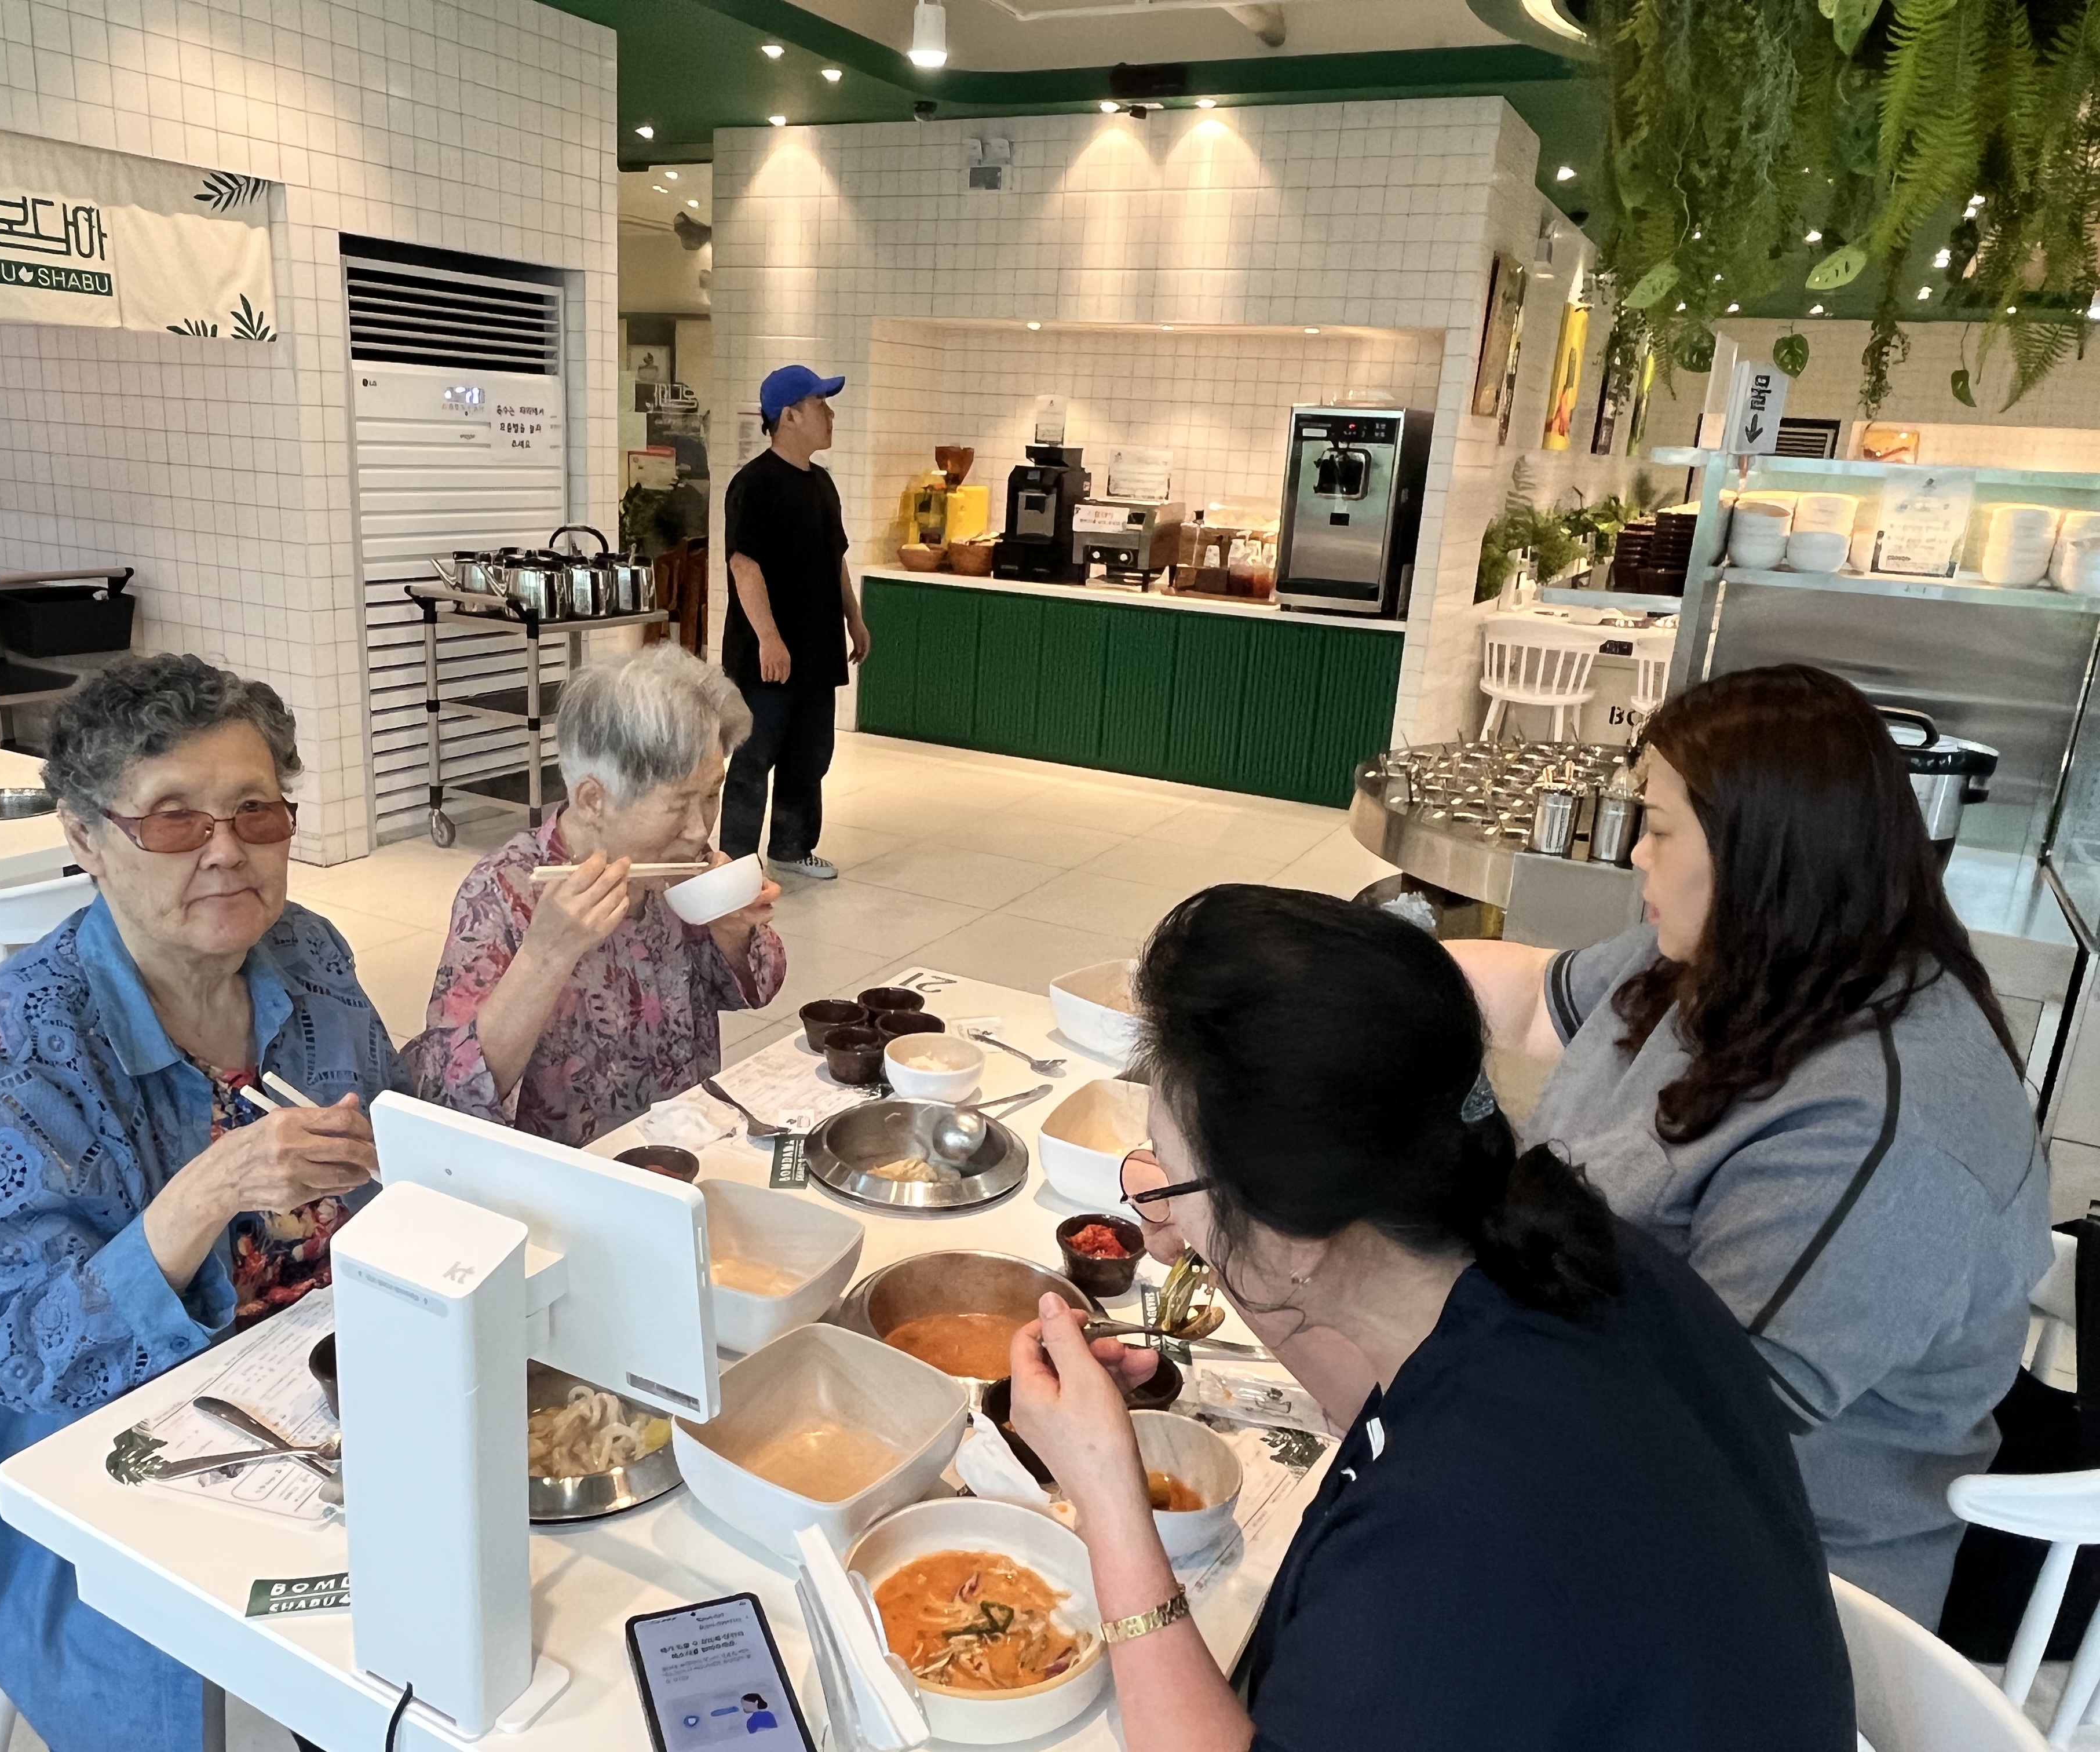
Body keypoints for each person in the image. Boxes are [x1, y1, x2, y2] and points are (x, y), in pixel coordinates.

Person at [1006, 886, 1857, 1752]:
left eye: (1173, 1175)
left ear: (1297, 1229)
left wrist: (1106, 1493)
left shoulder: (1444, 1543)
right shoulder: (1575, 1249)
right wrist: (1220, 1233)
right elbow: (1393, 1387)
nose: (1159, 1205)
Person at [1448, 663, 2050, 1626]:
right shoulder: (1733, 952)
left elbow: (1692, 1419)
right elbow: (1529, 1002)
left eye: (1657, 827)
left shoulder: (1876, 1129)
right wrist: (1346, 967)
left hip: (1765, 1567)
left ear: (1757, 850)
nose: (1635, 854)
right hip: (1577, 1394)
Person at [0, 655, 406, 1752]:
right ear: (86, 837)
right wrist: (207, 1192)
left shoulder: (308, 953)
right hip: (123, 1455)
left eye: (255, 809)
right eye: (174, 819)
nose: (226, 848)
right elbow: (15, 1349)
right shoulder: (21, 1047)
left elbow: (390, 1149)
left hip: (332, 1387)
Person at [408, 643, 785, 1145]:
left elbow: (759, 986)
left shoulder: (680, 863)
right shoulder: (504, 891)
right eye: (679, 805)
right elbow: (445, 1095)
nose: (700, 828)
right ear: (592, 799)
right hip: (568, 1173)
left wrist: (733, 933)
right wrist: (545, 956)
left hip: (683, 1148)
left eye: (712, 794)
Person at [717, 362, 870, 882]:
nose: (831, 415)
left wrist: (855, 619)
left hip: (817, 648)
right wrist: (769, 638)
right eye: (821, 405)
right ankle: (736, 860)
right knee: (755, 756)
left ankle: (791, 846)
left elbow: (836, 560)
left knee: (810, 755)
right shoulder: (754, 485)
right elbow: (744, 565)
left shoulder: (822, 484)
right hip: (767, 655)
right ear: (790, 415)